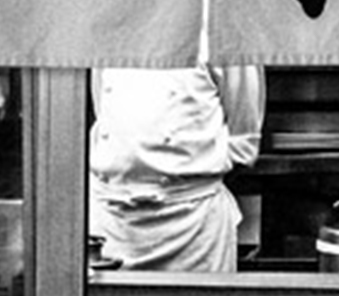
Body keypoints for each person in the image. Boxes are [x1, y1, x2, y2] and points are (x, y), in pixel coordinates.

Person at [89, 63, 265, 271]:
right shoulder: (107, 35)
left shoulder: (227, 36)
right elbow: (103, 111)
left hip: (193, 228)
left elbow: (242, 141)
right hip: (114, 225)